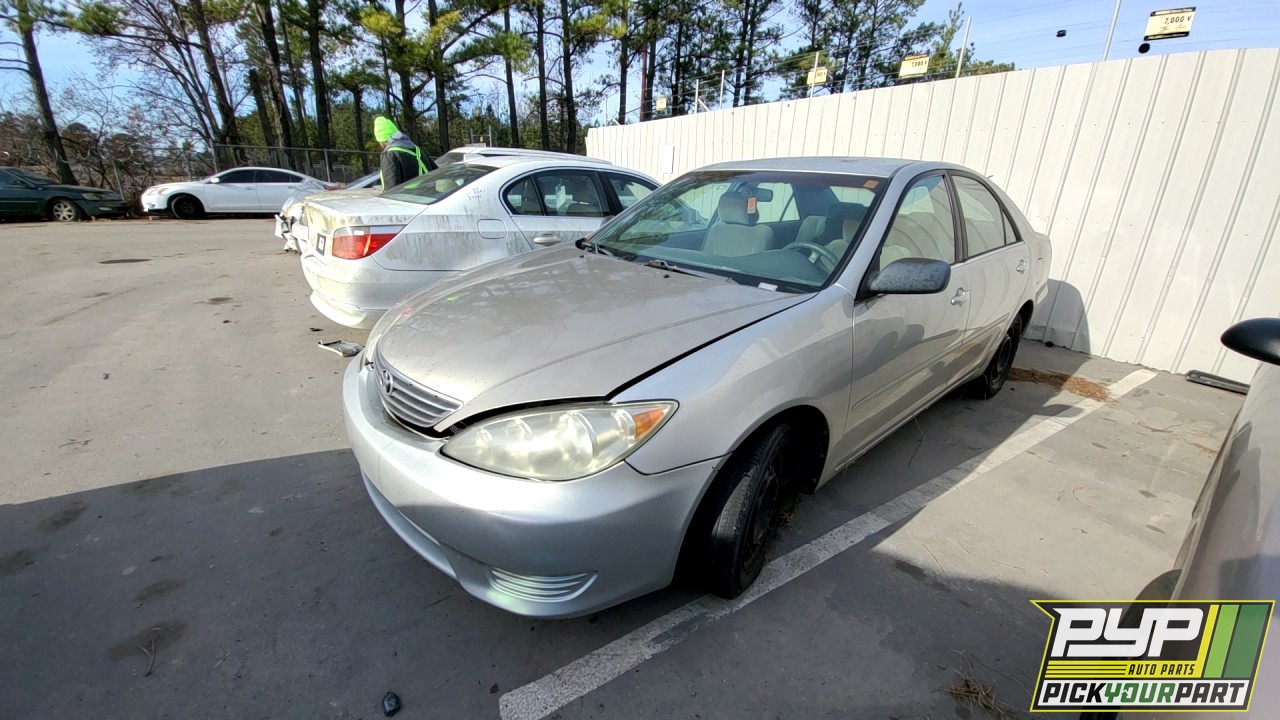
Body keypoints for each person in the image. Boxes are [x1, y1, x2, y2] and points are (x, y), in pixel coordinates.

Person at [374, 116, 434, 188]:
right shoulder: (418, 150)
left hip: (408, 195)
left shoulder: (390, 155)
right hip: (429, 193)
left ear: (382, 141)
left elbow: (391, 189)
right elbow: (437, 173)